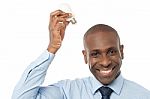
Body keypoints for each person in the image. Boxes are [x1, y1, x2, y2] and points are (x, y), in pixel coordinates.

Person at [12, 10, 150, 99]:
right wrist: (52, 48)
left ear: (122, 52)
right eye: (95, 54)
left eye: (111, 52)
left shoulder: (143, 95)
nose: (105, 62)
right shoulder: (67, 91)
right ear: (85, 57)